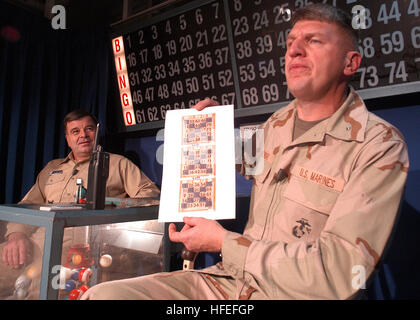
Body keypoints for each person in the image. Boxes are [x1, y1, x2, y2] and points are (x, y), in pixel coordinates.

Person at [82, 3, 409, 300]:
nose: (294, 50)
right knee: (101, 296)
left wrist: (224, 243)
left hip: (292, 294)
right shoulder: (277, 123)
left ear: (350, 63)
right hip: (231, 281)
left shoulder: (378, 144)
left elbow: (340, 272)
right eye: (291, 42)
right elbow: (241, 158)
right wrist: (208, 131)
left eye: (314, 41)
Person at [0, 109, 160, 298]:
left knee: (41, 289)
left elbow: (151, 195)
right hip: (33, 242)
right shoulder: (52, 168)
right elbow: (27, 205)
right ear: (68, 139)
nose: (83, 135)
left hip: (79, 249)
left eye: (89, 129)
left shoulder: (117, 164)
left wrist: (112, 204)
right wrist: (16, 236)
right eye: (75, 131)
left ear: (96, 133)